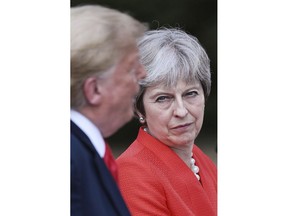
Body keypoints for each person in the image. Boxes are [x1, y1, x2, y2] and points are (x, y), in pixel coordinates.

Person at [117, 28, 217, 216]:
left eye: (190, 94)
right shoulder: (131, 174)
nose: (181, 110)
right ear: (139, 108)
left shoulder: (199, 159)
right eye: (163, 98)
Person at [70, 5, 147, 216]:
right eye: (131, 67)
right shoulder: (71, 158)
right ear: (94, 90)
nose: (143, 73)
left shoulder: (83, 149)